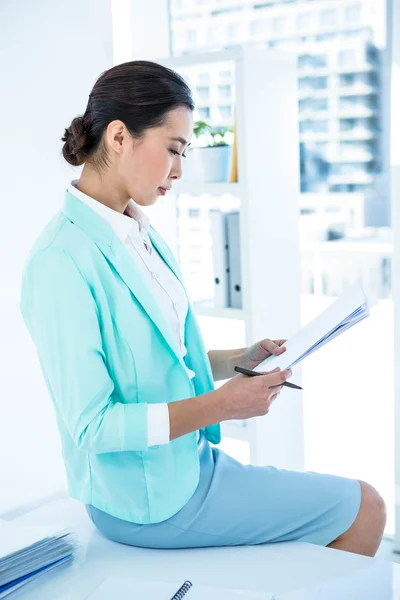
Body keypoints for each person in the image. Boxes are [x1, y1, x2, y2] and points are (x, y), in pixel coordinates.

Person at [20, 60, 386, 556]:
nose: (179, 170)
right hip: (145, 499)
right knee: (366, 506)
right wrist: (225, 404)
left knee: (355, 505)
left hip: (187, 463)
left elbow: (157, 357)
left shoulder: (137, 232)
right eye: (172, 150)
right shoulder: (60, 262)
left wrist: (240, 358)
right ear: (119, 136)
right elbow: (94, 426)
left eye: (185, 152)